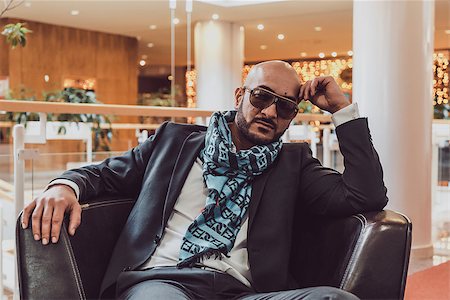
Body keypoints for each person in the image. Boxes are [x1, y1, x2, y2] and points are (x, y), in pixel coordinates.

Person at [21, 60, 388, 300]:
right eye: (262, 97)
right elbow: (104, 173)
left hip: (243, 291)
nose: (271, 112)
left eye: (286, 106)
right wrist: (63, 186)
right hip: (163, 282)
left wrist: (342, 110)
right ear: (241, 95)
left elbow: (366, 195)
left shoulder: (293, 162)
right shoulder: (173, 141)